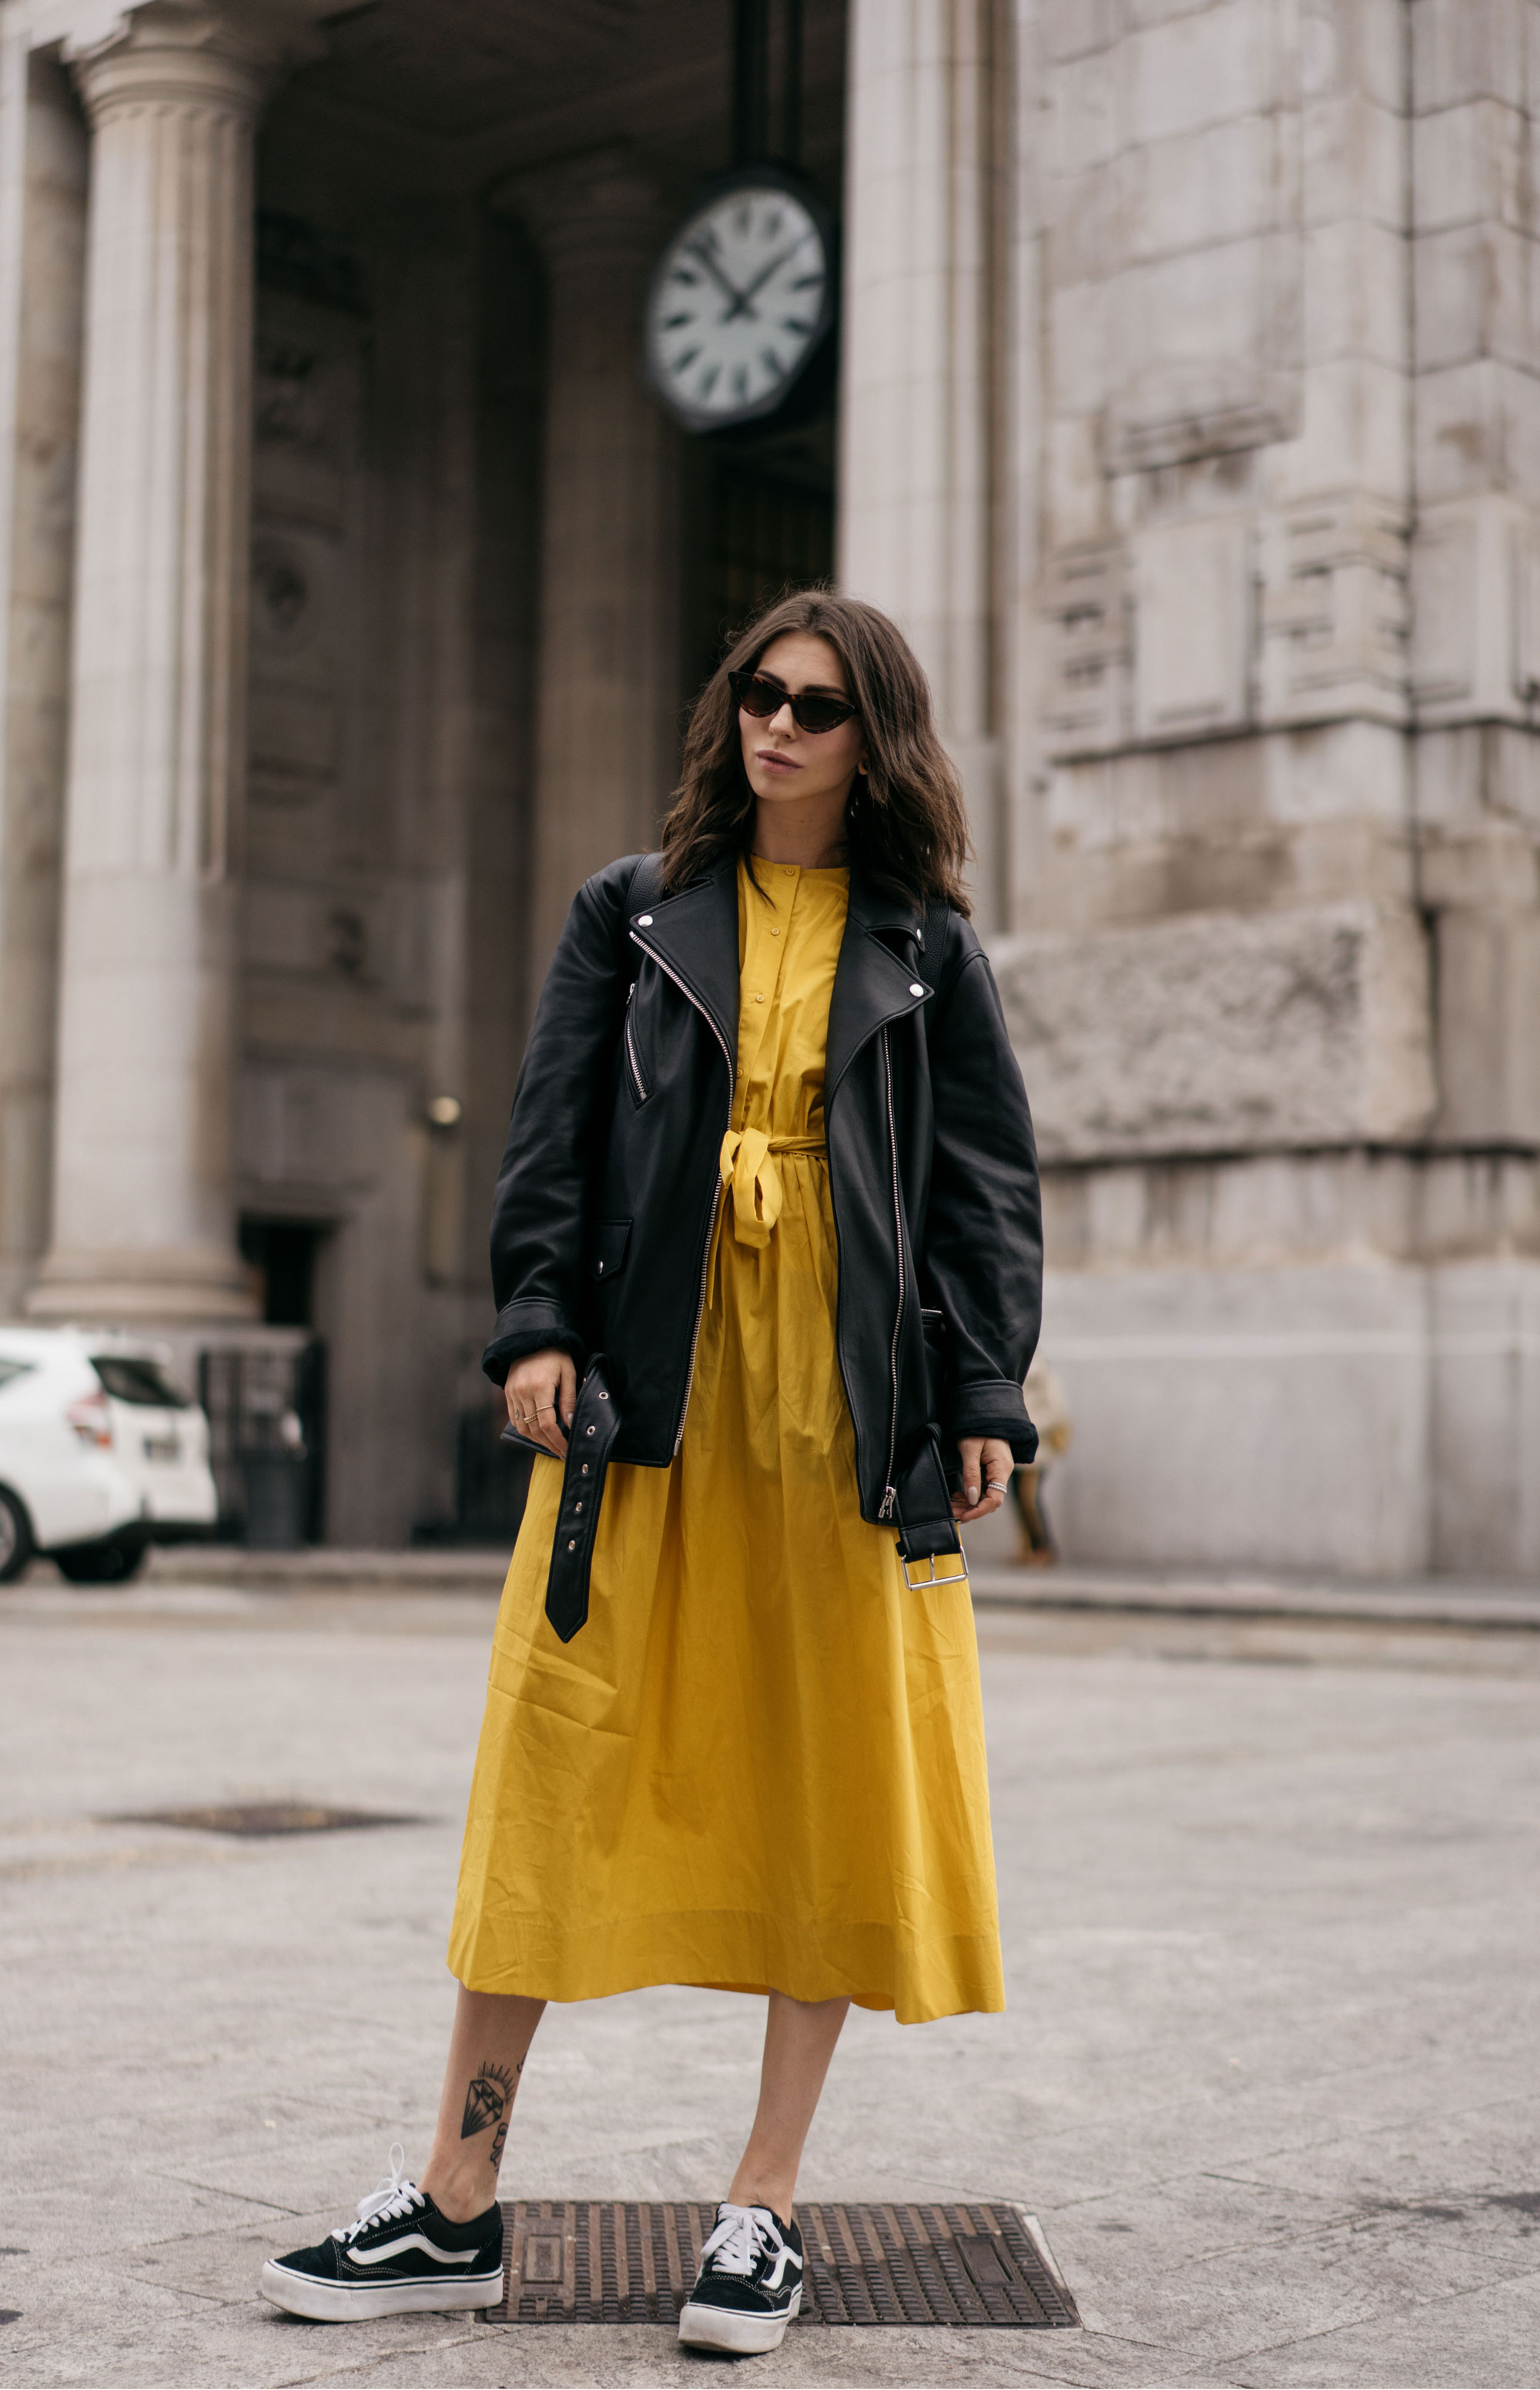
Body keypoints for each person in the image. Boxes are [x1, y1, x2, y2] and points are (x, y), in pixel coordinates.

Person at [259, 590, 1043, 2354]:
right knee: (555, 1760)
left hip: (847, 1412)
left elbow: (986, 1180)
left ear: (877, 741)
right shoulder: (629, 916)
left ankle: (760, 2208)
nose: (775, 726)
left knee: (834, 1780)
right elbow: (552, 1133)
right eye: (756, 696)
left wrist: (981, 1382)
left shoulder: (923, 944)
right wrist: (536, 1322)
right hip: (651, 1401)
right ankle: (456, 2195)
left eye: (817, 709)